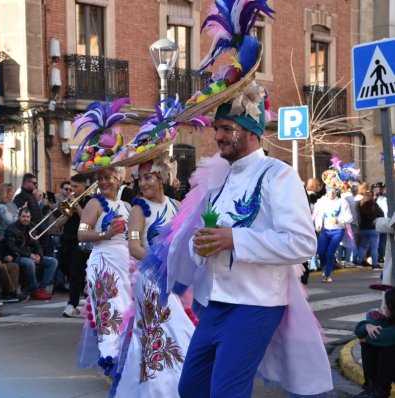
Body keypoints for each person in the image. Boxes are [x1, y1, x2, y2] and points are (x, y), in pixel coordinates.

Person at [163, 84, 331, 396]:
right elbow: (205, 235)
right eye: (217, 129)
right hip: (215, 302)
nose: (218, 137)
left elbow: (302, 243)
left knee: (227, 391)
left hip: (255, 304)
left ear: (252, 131)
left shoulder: (278, 174)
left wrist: (234, 239)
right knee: (191, 387)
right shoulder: (221, 180)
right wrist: (199, 247)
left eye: (227, 128)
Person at [117, 157, 195, 398]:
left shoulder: (176, 205)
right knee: (160, 332)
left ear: (161, 178)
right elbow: (134, 247)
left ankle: (178, 385)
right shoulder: (138, 209)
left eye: (148, 177)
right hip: (151, 280)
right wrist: (160, 262)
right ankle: (157, 389)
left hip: (174, 278)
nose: (142, 183)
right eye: (139, 178)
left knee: (175, 329)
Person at [77, 166, 131, 386]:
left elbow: (135, 236)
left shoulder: (127, 206)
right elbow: (81, 233)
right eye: (100, 178)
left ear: (119, 179)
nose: (103, 182)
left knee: (126, 311)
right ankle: (110, 362)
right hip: (103, 263)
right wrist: (106, 234)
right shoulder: (94, 203)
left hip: (126, 263)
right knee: (109, 311)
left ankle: (125, 359)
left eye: (108, 177)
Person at [4, 207, 57, 300]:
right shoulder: (12, 228)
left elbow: (37, 245)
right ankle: (34, 289)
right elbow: (12, 247)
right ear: (19, 217)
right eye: (23, 216)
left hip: (30, 255)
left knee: (53, 261)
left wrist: (39, 255)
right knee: (29, 262)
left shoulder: (32, 226)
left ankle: (42, 288)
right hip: (17, 256)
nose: (26, 219)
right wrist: (29, 255)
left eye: (28, 217)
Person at [353, 287, 395, 398]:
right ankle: (371, 388)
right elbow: (359, 331)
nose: (384, 306)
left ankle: (380, 392)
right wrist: (368, 326)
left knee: (387, 346)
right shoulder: (387, 318)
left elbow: (387, 337)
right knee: (370, 343)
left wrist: (366, 339)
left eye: (387, 303)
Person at [60, 174, 91, 317]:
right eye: (71, 186)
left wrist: (77, 205)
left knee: (75, 273)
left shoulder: (90, 201)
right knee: (66, 269)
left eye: (75, 187)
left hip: (81, 241)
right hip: (67, 239)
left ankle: (72, 304)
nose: (71, 190)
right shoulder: (69, 200)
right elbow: (59, 223)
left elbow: (87, 218)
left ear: (84, 186)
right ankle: (83, 297)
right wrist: (66, 211)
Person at [314, 185, 353, 282]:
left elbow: (349, 217)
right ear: (326, 192)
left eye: (334, 191)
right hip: (325, 231)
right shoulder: (322, 202)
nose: (332, 193)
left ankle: (327, 275)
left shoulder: (342, 202)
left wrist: (339, 220)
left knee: (330, 253)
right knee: (321, 252)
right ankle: (324, 266)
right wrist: (318, 225)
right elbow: (319, 215)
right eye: (330, 191)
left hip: (338, 231)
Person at [356, 192, 384, 268]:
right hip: (373, 228)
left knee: (364, 246)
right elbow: (381, 213)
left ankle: (358, 262)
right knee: (374, 247)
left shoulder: (360, 205)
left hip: (363, 228)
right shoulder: (374, 205)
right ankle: (375, 264)